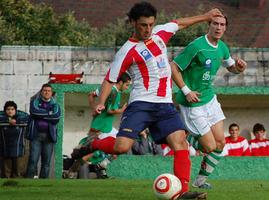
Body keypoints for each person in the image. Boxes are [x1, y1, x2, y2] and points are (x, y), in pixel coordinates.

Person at [72, 2, 223, 199]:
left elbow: (179, 23)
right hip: (141, 106)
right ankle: (93, 144)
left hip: (165, 106)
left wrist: (205, 16)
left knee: (181, 143)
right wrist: (101, 101)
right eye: (143, 25)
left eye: (151, 24)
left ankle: (184, 192)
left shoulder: (159, 34)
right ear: (133, 23)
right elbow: (110, 78)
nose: (148, 29)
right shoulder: (127, 50)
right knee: (122, 147)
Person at [171, 14, 247, 189]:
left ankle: (200, 181)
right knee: (209, 147)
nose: (218, 27)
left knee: (220, 144)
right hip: (193, 103)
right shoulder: (196, 46)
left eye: (222, 24)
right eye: (215, 24)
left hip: (209, 100)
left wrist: (239, 69)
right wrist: (186, 91)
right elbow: (173, 67)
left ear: (225, 27)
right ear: (209, 25)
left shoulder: (222, 47)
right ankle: (183, 136)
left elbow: (231, 67)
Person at [26, 83, 61, 178]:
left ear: (52, 93)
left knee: (46, 162)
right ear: (41, 92)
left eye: (49, 91)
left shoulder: (55, 105)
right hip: (35, 135)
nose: (47, 92)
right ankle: (28, 181)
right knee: (33, 159)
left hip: (49, 136)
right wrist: (49, 113)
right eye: (45, 90)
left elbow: (56, 117)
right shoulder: (34, 102)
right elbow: (34, 112)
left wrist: (41, 116)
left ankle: (43, 183)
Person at [0, 101, 29, 178]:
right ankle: (6, 186)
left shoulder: (21, 117)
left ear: (15, 110)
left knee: (18, 171)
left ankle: (17, 186)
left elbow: (28, 117)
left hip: (18, 148)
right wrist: (8, 120)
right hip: (5, 148)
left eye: (12, 109)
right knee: (6, 172)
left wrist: (16, 121)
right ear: (5, 110)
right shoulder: (2, 117)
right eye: (8, 109)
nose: (10, 111)